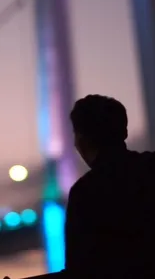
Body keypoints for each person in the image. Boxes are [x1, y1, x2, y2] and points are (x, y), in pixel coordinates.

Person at [4, 95, 155, 278]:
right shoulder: (149, 167)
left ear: (81, 140)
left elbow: (79, 272)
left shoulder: (86, 193)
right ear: (124, 133)